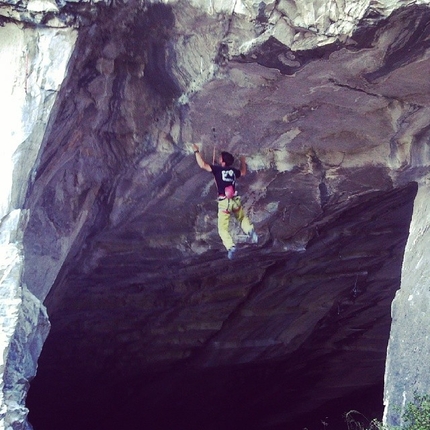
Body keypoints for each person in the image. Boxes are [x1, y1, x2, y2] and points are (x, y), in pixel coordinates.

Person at [191, 143, 258, 259]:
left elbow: (202, 164)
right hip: (235, 200)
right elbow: (243, 172)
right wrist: (243, 161)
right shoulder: (233, 171)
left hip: (225, 202)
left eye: (220, 157)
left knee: (222, 229)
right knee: (241, 218)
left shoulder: (217, 170)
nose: (218, 158)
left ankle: (230, 246)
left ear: (223, 160)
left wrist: (196, 151)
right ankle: (250, 231)